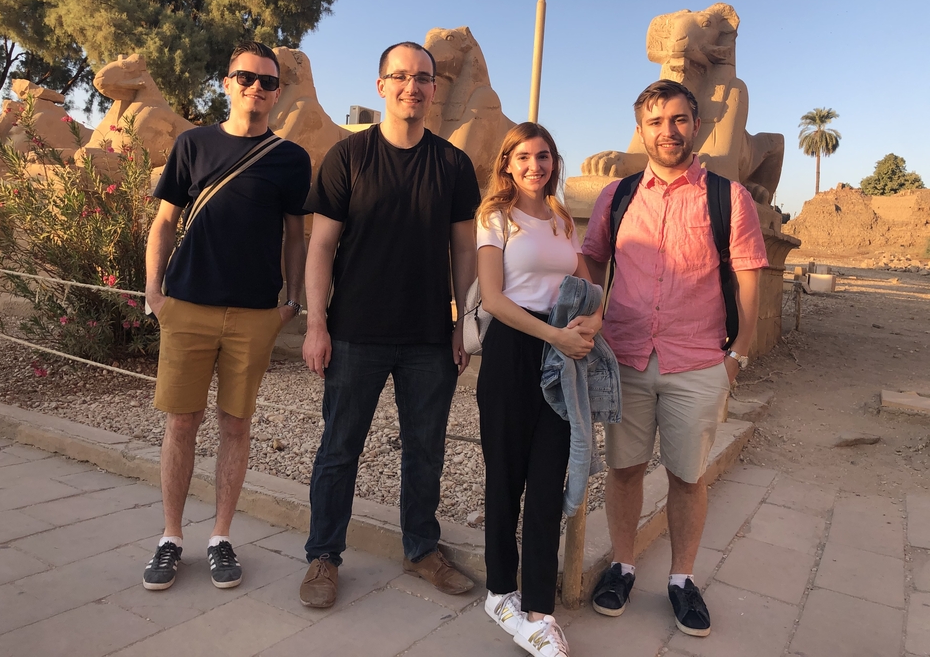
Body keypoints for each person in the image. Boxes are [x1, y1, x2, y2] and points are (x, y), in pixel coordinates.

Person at [582, 79, 768, 636]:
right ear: (641, 128)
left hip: (697, 361)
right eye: (657, 121)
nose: (669, 131)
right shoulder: (616, 196)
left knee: (688, 477)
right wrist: (589, 316)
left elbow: (748, 278)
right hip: (628, 357)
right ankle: (622, 565)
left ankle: (682, 579)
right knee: (625, 468)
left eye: (679, 119)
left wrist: (737, 354)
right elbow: (592, 261)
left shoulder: (726, 197)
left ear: (696, 124)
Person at [298, 41, 480, 608]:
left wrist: (463, 323)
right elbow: (321, 246)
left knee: (425, 451)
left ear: (433, 88)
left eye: (423, 78)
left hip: (429, 337)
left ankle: (422, 547)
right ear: (381, 87)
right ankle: (323, 557)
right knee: (338, 450)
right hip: (354, 333)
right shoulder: (347, 158)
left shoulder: (452, 165)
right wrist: (316, 325)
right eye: (400, 77)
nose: (413, 87)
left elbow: (465, 255)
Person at [142, 41, 310, 591]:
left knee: (236, 426)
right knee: (181, 423)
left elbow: (295, 234)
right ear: (227, 82)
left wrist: (291, 301)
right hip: (187, 305)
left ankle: (220, 536)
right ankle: (171, 537)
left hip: (256, 313)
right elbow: (164, 223)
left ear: (277, 93)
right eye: (245, 77)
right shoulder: (193, 144)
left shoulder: (290, 158)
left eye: (266, 82)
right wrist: (154, 294)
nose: (255, 89)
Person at [477, 122, 603, 657]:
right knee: (505, 475)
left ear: (554, 162)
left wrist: (592, 323)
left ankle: (538, 610)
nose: (535, 165)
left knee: (549, 477)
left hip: (558, 354)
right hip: (513, 348)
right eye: (524, 156)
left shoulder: (559, 220)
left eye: (544, 156)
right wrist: (555, 333)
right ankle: (499, 589)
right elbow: (492, 296)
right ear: (507, 162)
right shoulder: (495, 218)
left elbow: (586, 285)